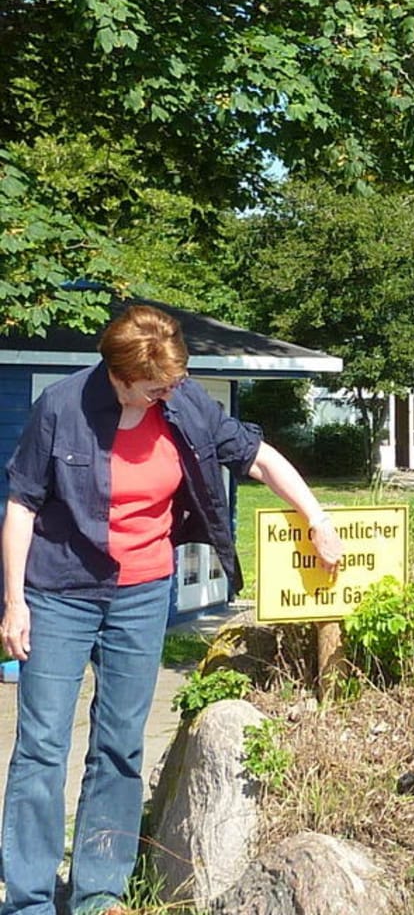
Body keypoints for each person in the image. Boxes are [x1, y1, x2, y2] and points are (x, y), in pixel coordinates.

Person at [0, 304, 343, 915]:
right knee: (43, 745)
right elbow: (22, 505)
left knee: (119, 746)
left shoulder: (183, 402)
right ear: (120, 377)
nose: (167, 394)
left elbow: (258, 457)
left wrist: (316, 517)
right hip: (58, 592)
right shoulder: (60, 406)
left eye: (172, 383)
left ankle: (98, 893)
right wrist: (13, 602)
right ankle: (28, 899)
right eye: (154, 387)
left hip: (141, 594)